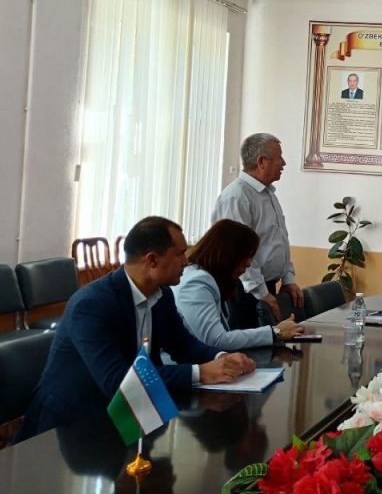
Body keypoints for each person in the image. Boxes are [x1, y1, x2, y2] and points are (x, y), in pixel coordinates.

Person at [17, 217, 255, 441]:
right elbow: (117, 380)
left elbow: (183, 345)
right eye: (180, 254)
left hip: (128, 416)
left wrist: (222, 358)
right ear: (152, 260)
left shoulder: (162, 294)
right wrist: (200, 373)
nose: (187, 261)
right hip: (70, 426)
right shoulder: (92, 304)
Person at [212, 133, 304, 329]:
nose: (284, 163)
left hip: (265, 286)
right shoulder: (237, 197)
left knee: (268, 342)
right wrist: (261, 293)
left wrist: (288, 278)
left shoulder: (267, 193)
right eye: (279, 157)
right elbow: (238, 253)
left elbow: (278, 239)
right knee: (249, 344)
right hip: (244, 290)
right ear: (262, 161)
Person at [174, 219, 305, 350]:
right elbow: (217, 340)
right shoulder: (196, 283)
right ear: (227, 254)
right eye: (246, 256)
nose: (249, 264)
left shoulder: (209, 278)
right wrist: (276, 332)